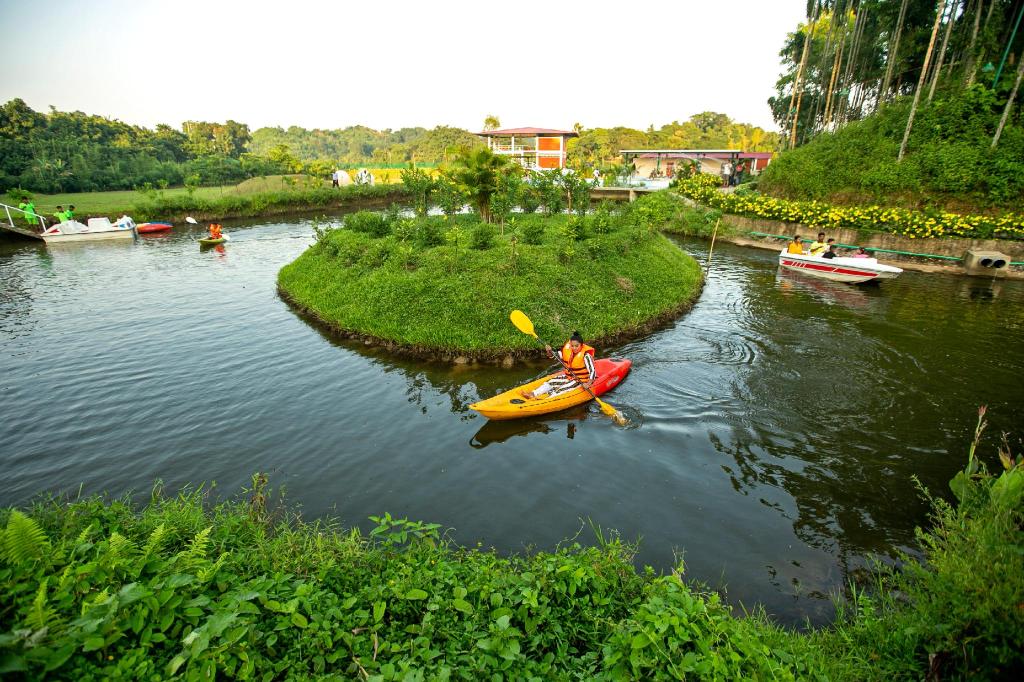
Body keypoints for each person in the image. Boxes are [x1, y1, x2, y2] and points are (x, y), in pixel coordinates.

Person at [520, 331, 597, 400]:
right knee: (550, 382)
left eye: (576, 346)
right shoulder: (567, 351)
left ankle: (546, 401)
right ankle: (533, 394)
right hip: (568, 376)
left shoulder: (586, 356)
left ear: (581, 345)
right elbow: (554, 356)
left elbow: (592, 371)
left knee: (562, 390)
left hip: (579, 380)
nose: (574, 348)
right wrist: (549, 352)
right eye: (572, 346)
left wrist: (588, 384)